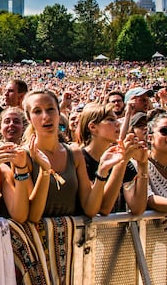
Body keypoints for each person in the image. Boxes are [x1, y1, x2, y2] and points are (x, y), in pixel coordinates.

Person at [21, 90, 108, 219]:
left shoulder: (75, 153)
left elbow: (90, 209)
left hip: (73, 237)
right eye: (37, 111)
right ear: (29, 118)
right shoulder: (23, 156)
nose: (45, 116)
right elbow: (33, 216)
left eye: (50, 109)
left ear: (59, 112)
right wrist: (44, 171)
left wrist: (102, 172)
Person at [77, 102, 148, 214]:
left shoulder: (122, 159)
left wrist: (143, 164)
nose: (118, 124)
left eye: (116, 120)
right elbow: (103, 208)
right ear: (93, 127)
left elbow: (137, 208)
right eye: (110, 120)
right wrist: (122, 161)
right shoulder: (80, 160)